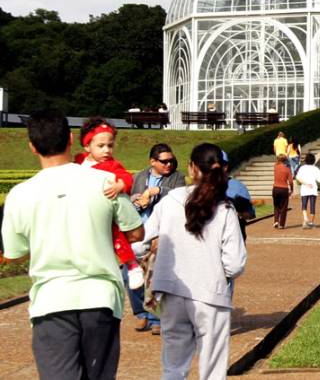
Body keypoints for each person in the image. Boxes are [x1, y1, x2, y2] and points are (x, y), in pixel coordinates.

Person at [2, 109, 144, 379]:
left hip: (52, 300)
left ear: (32, 147)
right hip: (100, 297)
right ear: (70, 139)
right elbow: (136, 232)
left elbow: (15, 254)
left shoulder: (19, 195)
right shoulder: (104, 182)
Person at [144, 143, 247, 380]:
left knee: (174, 365)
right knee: (212, 368)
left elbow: (141, 241)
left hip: (171, 290)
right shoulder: (224, 208)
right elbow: (235, 263)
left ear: (192, 168)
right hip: (210, 292)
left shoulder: (170, 201)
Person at [74, 117, 144, 290]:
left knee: (117, 236)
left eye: (110, 146)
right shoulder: (78, 162)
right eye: (101, 146)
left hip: (106, 211)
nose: (106, 150)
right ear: (87, 146)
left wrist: (120, 185)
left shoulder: (112, 165)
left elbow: (126, 177)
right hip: (84, 211)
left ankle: (132, 265)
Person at [127, 143, 186, 333]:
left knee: (154, 275)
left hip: (161, 234)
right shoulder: (140, 177)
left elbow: (182, 197)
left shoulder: (177, 178)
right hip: (139, 231)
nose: (169, 164)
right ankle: (141, 313)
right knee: (130, 275)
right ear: (152, 161)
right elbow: (130, 202)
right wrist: (138, 201)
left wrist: (159, 191)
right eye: (164, 161)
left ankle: (155, 317)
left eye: (171, 161)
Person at [295, 153, 320, 229]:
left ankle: (305, 218)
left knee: (304, 205)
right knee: (312, 206)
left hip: (304, 189)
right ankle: (311, 222)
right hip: (313, 189)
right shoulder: (315, 168)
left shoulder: (302, 168)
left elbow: (298, 178)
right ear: (313, 160)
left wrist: (306, 183)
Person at [272, 154, 294, 229]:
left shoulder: (275, 167)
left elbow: (277, 162)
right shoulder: (287, 169)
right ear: (285, 160)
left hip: (275, 188)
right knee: (284, 207)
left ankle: (276, 221)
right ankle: (281, 224)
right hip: (284, 189)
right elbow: (291, 181)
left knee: (276, 206)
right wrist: (292, 189)